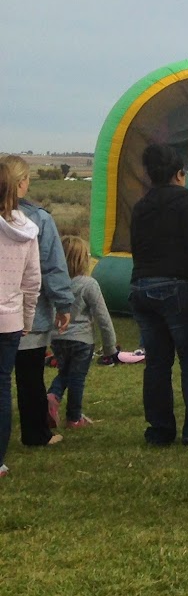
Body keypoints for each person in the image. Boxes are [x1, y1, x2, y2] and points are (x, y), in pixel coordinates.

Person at [127, 143, 188, 447]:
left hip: (142, 286)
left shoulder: (141, 206)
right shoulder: (187, 200)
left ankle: (159, 430)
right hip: (178, 289)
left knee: (157, 363)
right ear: (180, 173)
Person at [2, 156, 73, 451]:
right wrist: (64, 303)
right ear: (21, 183)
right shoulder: (38, 220)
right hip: (28, 314)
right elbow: (50, 267)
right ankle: (35, 433)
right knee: (30, 377)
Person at [0, 159, 43, 478]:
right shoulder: (27, 230)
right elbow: (32, 282)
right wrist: (27, 319)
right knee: (3, 388)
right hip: (11, 321)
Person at [47, 237, 117, 430]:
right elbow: (102, 316)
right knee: (77, 377)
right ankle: (74, 417)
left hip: (57, 338)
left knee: (65, 372)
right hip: (82, 340)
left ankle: (52, 396)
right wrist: (110, 347)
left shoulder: (54, 283)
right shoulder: (89, 284)